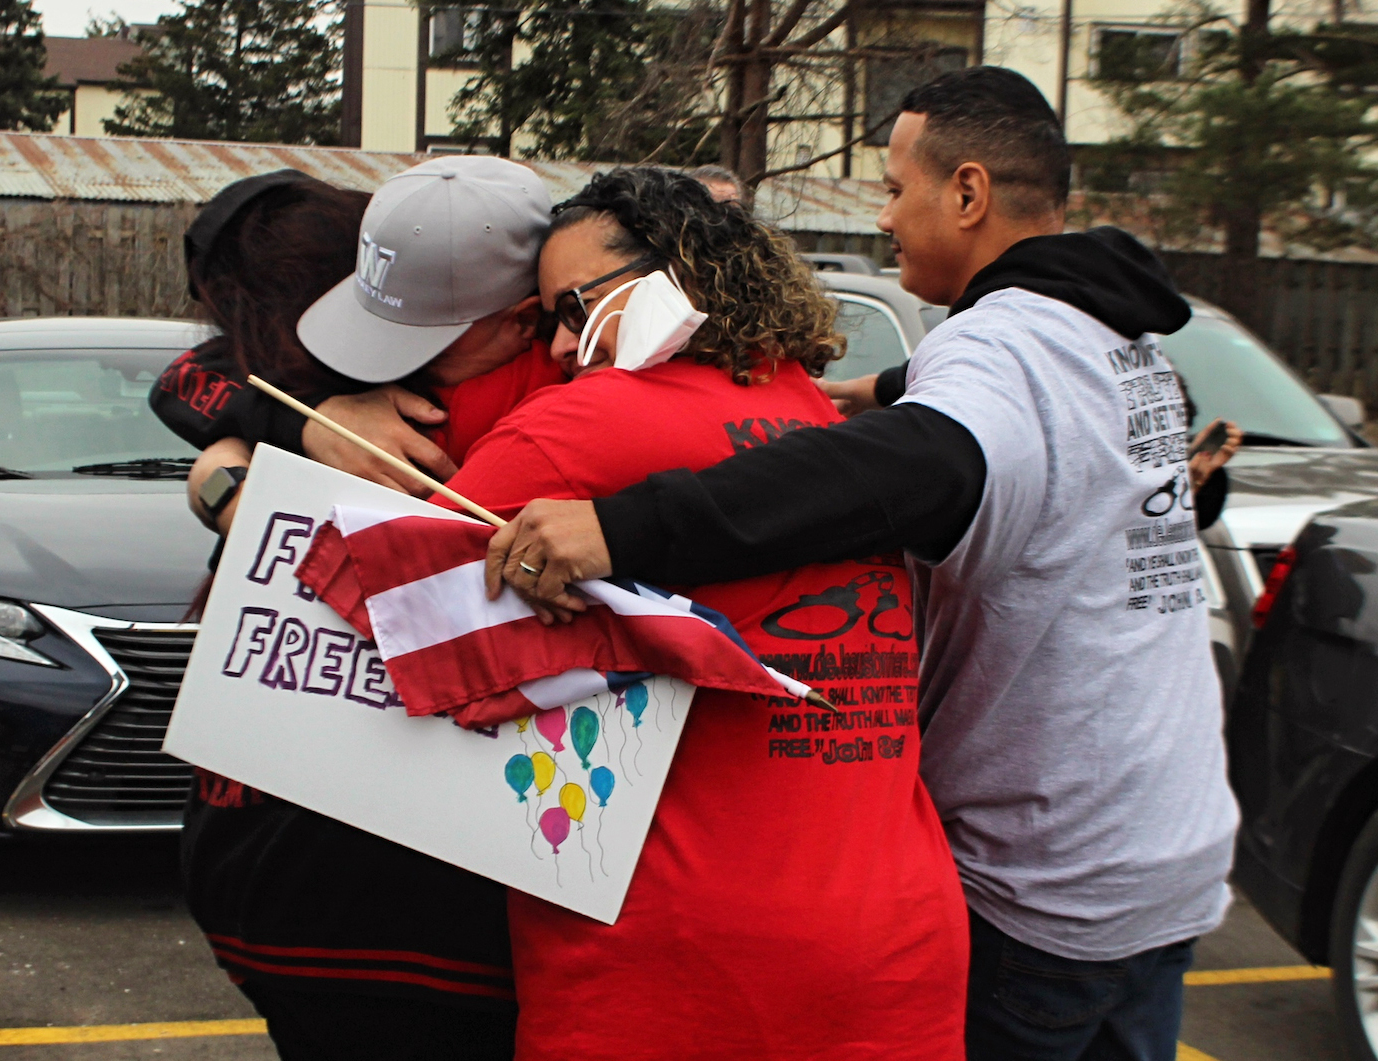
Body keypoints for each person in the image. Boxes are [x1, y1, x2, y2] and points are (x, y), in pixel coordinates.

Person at [483, 68, 1241, 1061]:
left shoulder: (998, 346)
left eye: (892, 187)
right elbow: (1086, 472)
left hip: (1040, 876)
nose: (882, 215)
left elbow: (921, 463)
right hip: (1166, 854)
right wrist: (874, 386)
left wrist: (622, 528)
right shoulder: (1121, 335)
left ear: (965, 194)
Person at [429, 167, 969, 1060]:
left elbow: (380, 602)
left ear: (668, 276)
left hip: (678, 959)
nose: (561, 347)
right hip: (898, 943)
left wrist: (244, 458)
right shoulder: (811, 411)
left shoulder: (579, 422)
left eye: (575, 309)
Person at [165, 157, 560, 1061]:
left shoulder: (553, 398)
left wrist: (243, 465)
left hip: (347, 891)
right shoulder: (325, 399)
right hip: (375, 895)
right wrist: (294, 430)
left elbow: (192, 381)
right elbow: (189, 377)